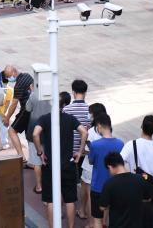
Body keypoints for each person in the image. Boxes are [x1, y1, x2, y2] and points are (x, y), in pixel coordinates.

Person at [33, 91, 88, 228]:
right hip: (68, 164)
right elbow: (84, 132)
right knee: (70, 200)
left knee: (50, 200)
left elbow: (35, 134)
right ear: (64, 105)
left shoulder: (45, 119)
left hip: (50, 164)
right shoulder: (70, 119)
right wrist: (80, 151)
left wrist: (40, 152)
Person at [120, 115, 153, 227]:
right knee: (152, 222)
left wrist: (128, 175)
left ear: (141, 126)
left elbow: (119, 163)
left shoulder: (131, 145)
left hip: (135, 190)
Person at [86, 113, 124, 227]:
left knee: (97, 219)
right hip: (116, 186)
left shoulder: (95, 145)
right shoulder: (120, 144)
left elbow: (91, 161)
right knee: (110, 218)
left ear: (99, 126)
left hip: (98, 186)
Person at [99, 151, 152, 228]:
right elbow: (148, 199)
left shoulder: (109, 184)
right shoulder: (140, 179)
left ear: (110, 167)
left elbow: (102, 207)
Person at [64, 79, 92, 217]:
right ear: (85, 92)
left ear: (73, 92)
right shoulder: (90, 110)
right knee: (84, 182)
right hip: (84, 151)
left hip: (69, 151)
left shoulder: (66, 109)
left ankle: (69, 205)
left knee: (69, 181)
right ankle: (82, 210)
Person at [0, 66, 34, 157]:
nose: (8, 78)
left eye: (8, 76)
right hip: (34, 108)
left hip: (26, 110)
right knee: (29, 135)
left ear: (14, 72)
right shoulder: (27, 76)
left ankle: (21, 156)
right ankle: (32, 158)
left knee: (12, 131)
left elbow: (14, 104)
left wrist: (7, 118)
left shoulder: (18, 86)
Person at [0, 70, 17, 150]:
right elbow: (8, 103)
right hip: (2, 111)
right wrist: (6, 114)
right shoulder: (10, 90)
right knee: (4, 127)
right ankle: (4, 143)